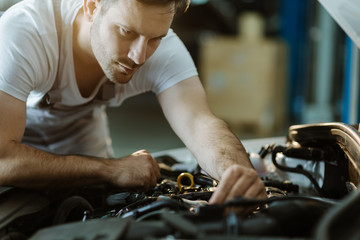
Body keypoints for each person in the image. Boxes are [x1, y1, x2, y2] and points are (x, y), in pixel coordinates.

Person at [0, 0, 266, 204]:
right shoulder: (26, 33)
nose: (139, 56)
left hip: (83, 146)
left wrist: (238, 174)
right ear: (92, 6)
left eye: (155, 39)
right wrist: (110, 169)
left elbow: (199, 122)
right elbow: (3, 161)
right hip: (20, 154)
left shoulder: (163, 49)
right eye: (127, 31)